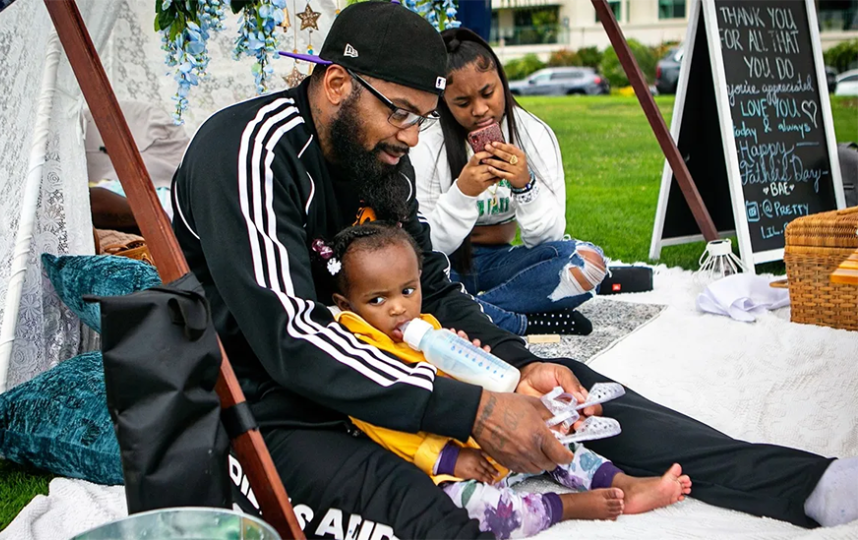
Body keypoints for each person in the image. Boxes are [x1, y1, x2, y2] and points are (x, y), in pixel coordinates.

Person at [171, 2, 855, 536]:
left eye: (421, 118)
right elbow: (288, 337)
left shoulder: (377, 159)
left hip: (398, 362)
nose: (412, 139)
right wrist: (475, 408)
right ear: (337, 83)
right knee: (433, 518)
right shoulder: (252, 151)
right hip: (278, 409)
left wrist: (513, 364)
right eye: (401, 115)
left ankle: (808, 484)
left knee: (582, 399)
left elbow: (432, 284)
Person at [323, 222, 691, 539]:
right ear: (347, 303)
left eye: (407, 290)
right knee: (482, 513)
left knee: (550, 438)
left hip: (491, 441)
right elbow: (384, 426)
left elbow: (472, 385)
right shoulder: (358, 350)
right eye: (377, 299)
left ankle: (620, 482)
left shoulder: (428, 328)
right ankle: (562, 507)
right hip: (443, 468)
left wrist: (469, 360)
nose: (398, 307)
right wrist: (450, 460)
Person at [410, 27, 606, 337]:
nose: (479, 110)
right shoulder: (424, 143)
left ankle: (466, 312)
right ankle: (520, 321)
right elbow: (426, 247)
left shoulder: (534, 134)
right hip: (443, 270)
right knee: (404, 286)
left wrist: (525, 186)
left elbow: (548, 239)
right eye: (462, 102)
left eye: (488, 93)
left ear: (502, 81)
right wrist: (463, 192)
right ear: (444, 101)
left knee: (588, 263)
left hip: (502, 265)